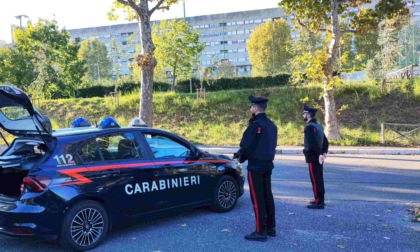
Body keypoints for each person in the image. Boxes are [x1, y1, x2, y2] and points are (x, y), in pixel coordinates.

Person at [234, 95, 278, 242]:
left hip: (256, 166)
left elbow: (246, 146)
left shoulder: (255, 126)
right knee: (268, 196)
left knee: (258, 199)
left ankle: (260, 231)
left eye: (251, 106)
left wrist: (240, 158)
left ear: (255, 108)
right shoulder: (272, 125)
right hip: (268, 165)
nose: (250, 109)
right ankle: (271, 228)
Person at [302, 105, 329, 209]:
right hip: (319, 156)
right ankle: (319, 198)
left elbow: (313, 143)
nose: (303, 115)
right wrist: (324, 152)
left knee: (315, 179)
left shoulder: (309, 127)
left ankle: (319, 201)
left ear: (308, 115)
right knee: (319, 178)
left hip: (313, 156)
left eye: (304, 114)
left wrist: (319, 154)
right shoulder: (319, 126)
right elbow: (325, 141)